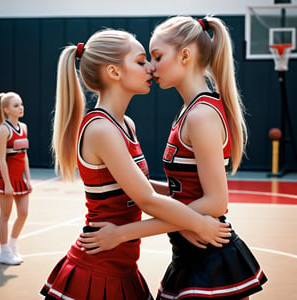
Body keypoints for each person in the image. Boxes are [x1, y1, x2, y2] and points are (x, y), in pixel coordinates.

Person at [78, 17, 268, 299]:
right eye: (146, 59)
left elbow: (216, 202)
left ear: (185, 55)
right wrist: (189, 221)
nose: (151, 67)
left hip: (209, 254)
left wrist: (187, 223)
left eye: (156, 57)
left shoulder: (201, 114)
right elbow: (175, 193)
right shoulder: (187, 112)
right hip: (188, 252)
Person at [40, 28, 230, 300]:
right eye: (141, 61)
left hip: (123, 266)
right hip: (97, 267)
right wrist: (199, 224)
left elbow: (139, 187)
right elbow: (147, 199)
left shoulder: (125, 124)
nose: (150, 68)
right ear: (114, 73)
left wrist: (199, 201)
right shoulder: (101, 129)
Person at [0, 92, 32, 265]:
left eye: (21, 104)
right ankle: (4, 252)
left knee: (23, 213)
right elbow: (2, 159)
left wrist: (29, 179)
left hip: (20, 179)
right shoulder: (4, 129)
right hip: (7, 179)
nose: (21, 108)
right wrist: (8, 184)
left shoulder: (23, 127)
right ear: (6, 110)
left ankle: (13, 245)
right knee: (5, 215)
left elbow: (24, 155)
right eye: (16, 105)